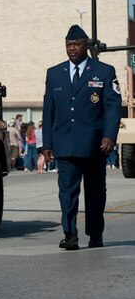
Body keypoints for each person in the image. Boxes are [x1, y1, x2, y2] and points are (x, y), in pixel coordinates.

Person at [41, 24, 121, 250]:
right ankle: (70, 234)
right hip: (65, 144)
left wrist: (109, 136)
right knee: (67, 193)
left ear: (86, 45)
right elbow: (49, 111)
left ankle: (95, 234)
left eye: (76, 44)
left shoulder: (104, 71)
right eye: (68, 45)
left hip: (95, 145)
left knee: (96, 193)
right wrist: (46, 144)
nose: (72, 49)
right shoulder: (54, 73)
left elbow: (112, 107)